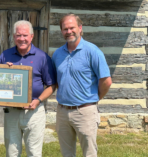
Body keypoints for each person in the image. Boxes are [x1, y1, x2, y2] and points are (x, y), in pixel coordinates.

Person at [52, 14, 112, 157]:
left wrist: (94, 99)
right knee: (67, 153)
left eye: (72, 27)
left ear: (80, 28)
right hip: (62, 111)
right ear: (61, 31)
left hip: (85, 111)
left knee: (89, 153)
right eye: (65, 29)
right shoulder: (57, 54)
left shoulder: (92, 51)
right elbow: (55, 81)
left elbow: (106, 81)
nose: (69, 32)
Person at [0, 20, 56, 157]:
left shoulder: (42, 57)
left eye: (25, 35)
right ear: (13, 37)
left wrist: (38, 100)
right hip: (11, 111)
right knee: (11, 152)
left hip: (34, 111)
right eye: (18, 35)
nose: (22, 39)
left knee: (34, 152)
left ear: (31, 36)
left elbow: (51, 85)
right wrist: (5, 72)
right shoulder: (5, 56)